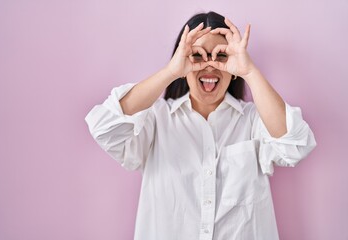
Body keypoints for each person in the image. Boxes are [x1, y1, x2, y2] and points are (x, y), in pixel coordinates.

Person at [85, 11, 316, 240]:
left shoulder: (254, 120)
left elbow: (294, 146)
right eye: (197, 55)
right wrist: (170, 72)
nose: (209, 66)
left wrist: (249, 71)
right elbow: (104, 126)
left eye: (221, 56)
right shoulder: (156, 119)